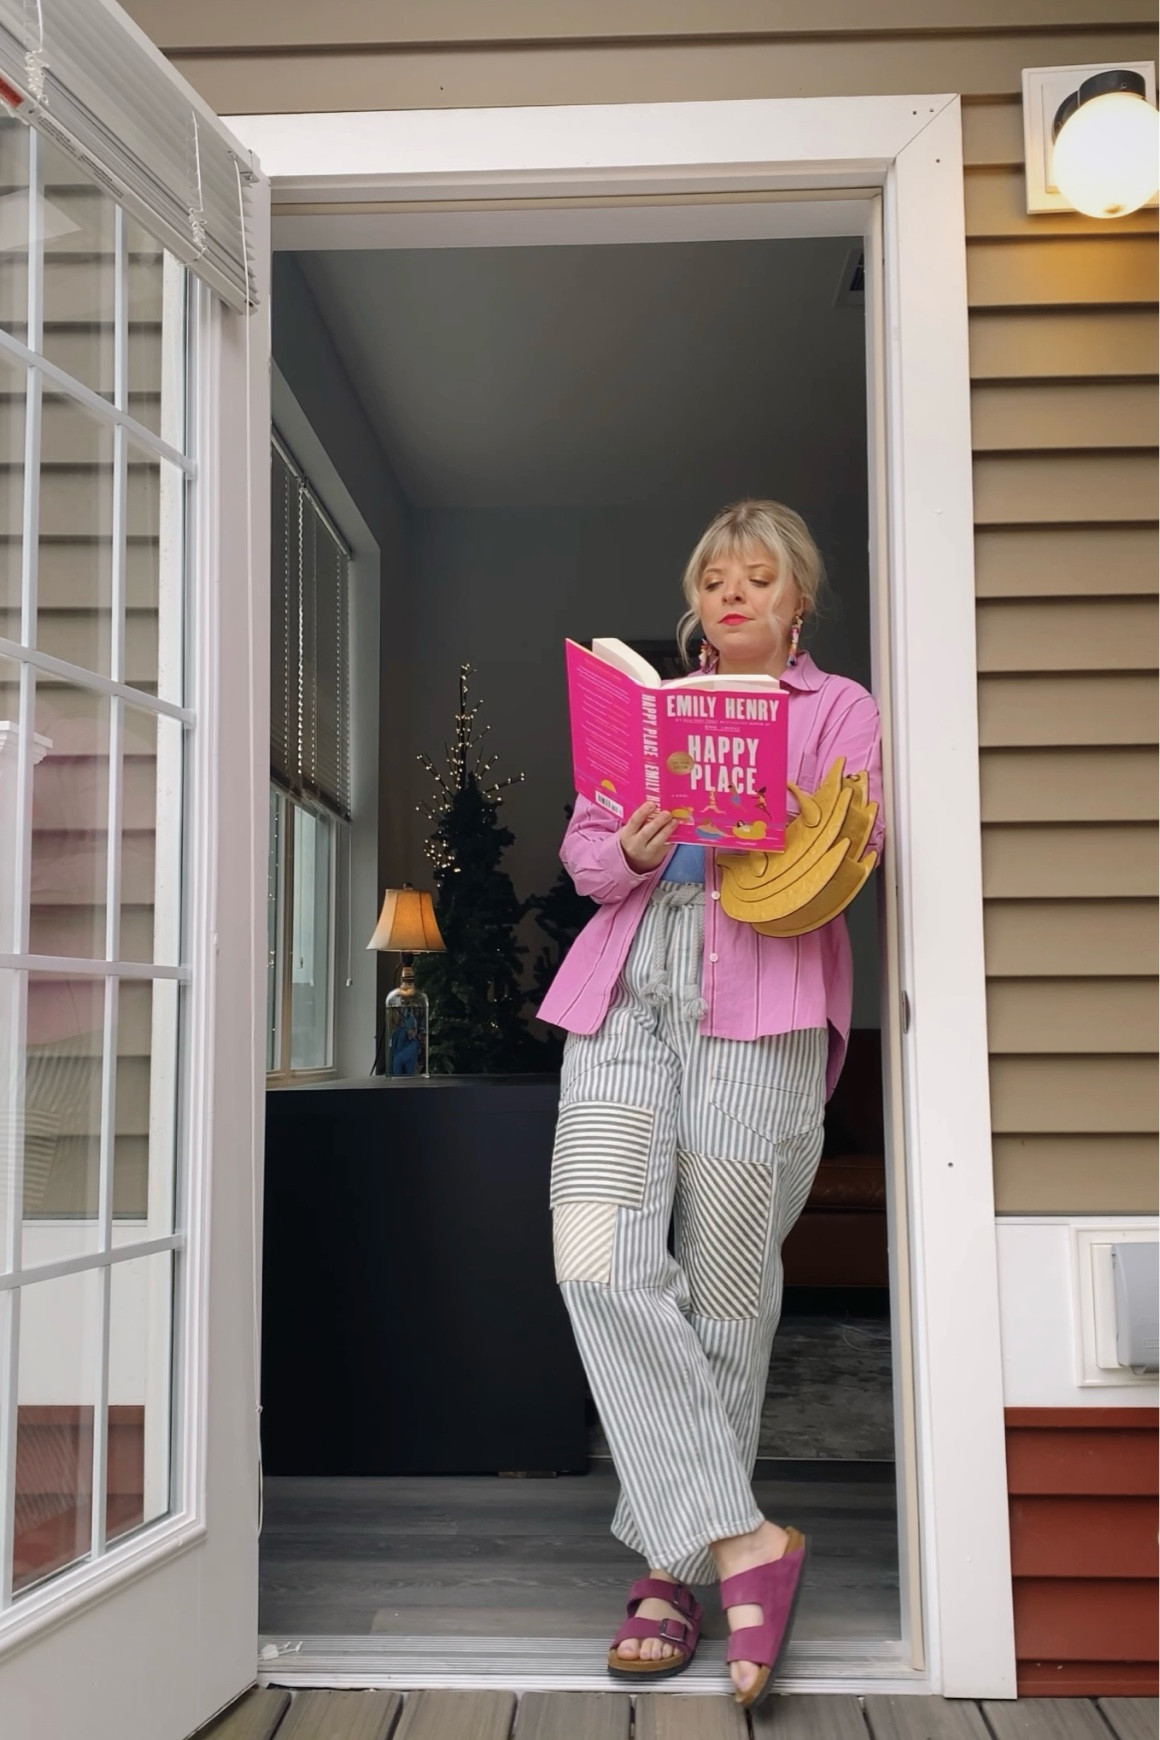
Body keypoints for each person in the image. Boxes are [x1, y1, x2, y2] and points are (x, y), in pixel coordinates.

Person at [536, 499, 885, 1710]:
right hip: (628, 992)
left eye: (757, 578)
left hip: (762, 1000)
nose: (732, 594)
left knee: (726, 1291)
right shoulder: (644, 712)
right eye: (713, 579)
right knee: (595, 1258)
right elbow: (585, 860)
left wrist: (762, 821)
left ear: (797, 603)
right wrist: (634, 848)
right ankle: (743, 1540)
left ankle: (669, 1572)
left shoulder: (837, 710)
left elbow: (854, 845)